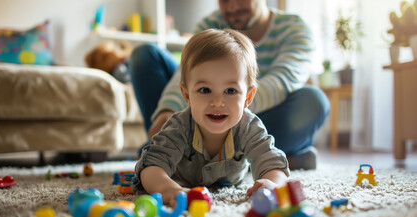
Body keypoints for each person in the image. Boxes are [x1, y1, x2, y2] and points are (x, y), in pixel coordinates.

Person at [130, 0, 330, 170]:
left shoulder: (294, 28)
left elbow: (280, 83)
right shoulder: (209, 24)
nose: (233, 7)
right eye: (224, 0)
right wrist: (168, 111)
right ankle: (166, 146)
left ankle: (250, 156)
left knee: (313, 101)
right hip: (196, 122)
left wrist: (230, 107)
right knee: (144, 56)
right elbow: (187, 74)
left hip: (258, 121)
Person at [132, 29, 289, 207]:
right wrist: (168, 190)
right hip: (182, 181)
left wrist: (272, 183)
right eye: (205, 90)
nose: (217, 102)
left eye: (230, 91)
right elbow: (150, 167)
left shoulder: (249, 126)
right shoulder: (179, 126)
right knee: (150, 152)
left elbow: (272, 163)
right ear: (186, 95)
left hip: (230, 179)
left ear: (248, 97)